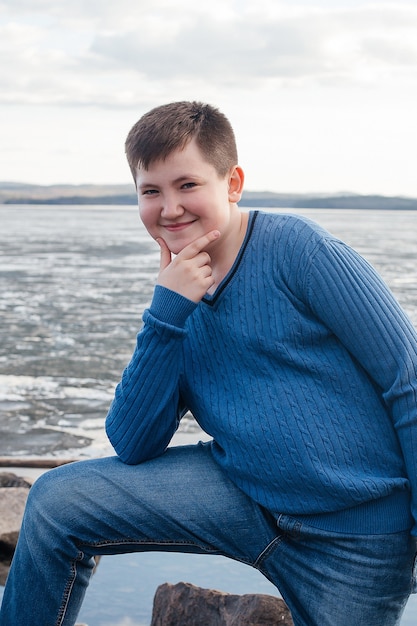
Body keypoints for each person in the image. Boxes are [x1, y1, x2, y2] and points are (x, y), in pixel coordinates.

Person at [1, 101, 416, 626]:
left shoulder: (302, 252)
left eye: (187, 185)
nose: (169, 208)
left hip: (354, 537)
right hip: (243, 496)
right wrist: (167, 311)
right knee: (57, 502)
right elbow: (133, 443)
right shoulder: (177, 295)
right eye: (151, 191)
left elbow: (409, 380)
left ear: (233, 183)